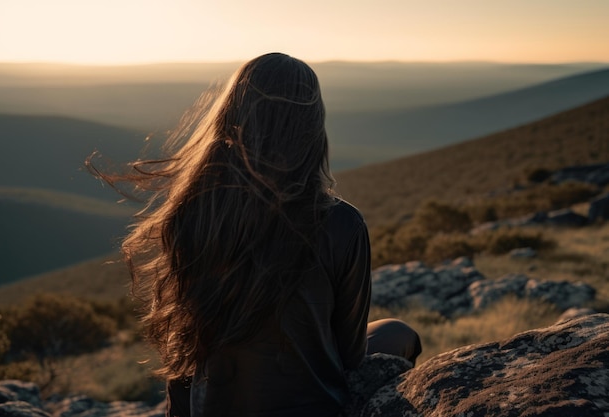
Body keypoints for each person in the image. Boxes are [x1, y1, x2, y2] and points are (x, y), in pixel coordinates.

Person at [89, 52, 420, 417]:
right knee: (400, 333)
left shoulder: (194, 214)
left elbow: (184, 348)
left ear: (232, 117)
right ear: (311, 127)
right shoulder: (340, 223)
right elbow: (350, 353)